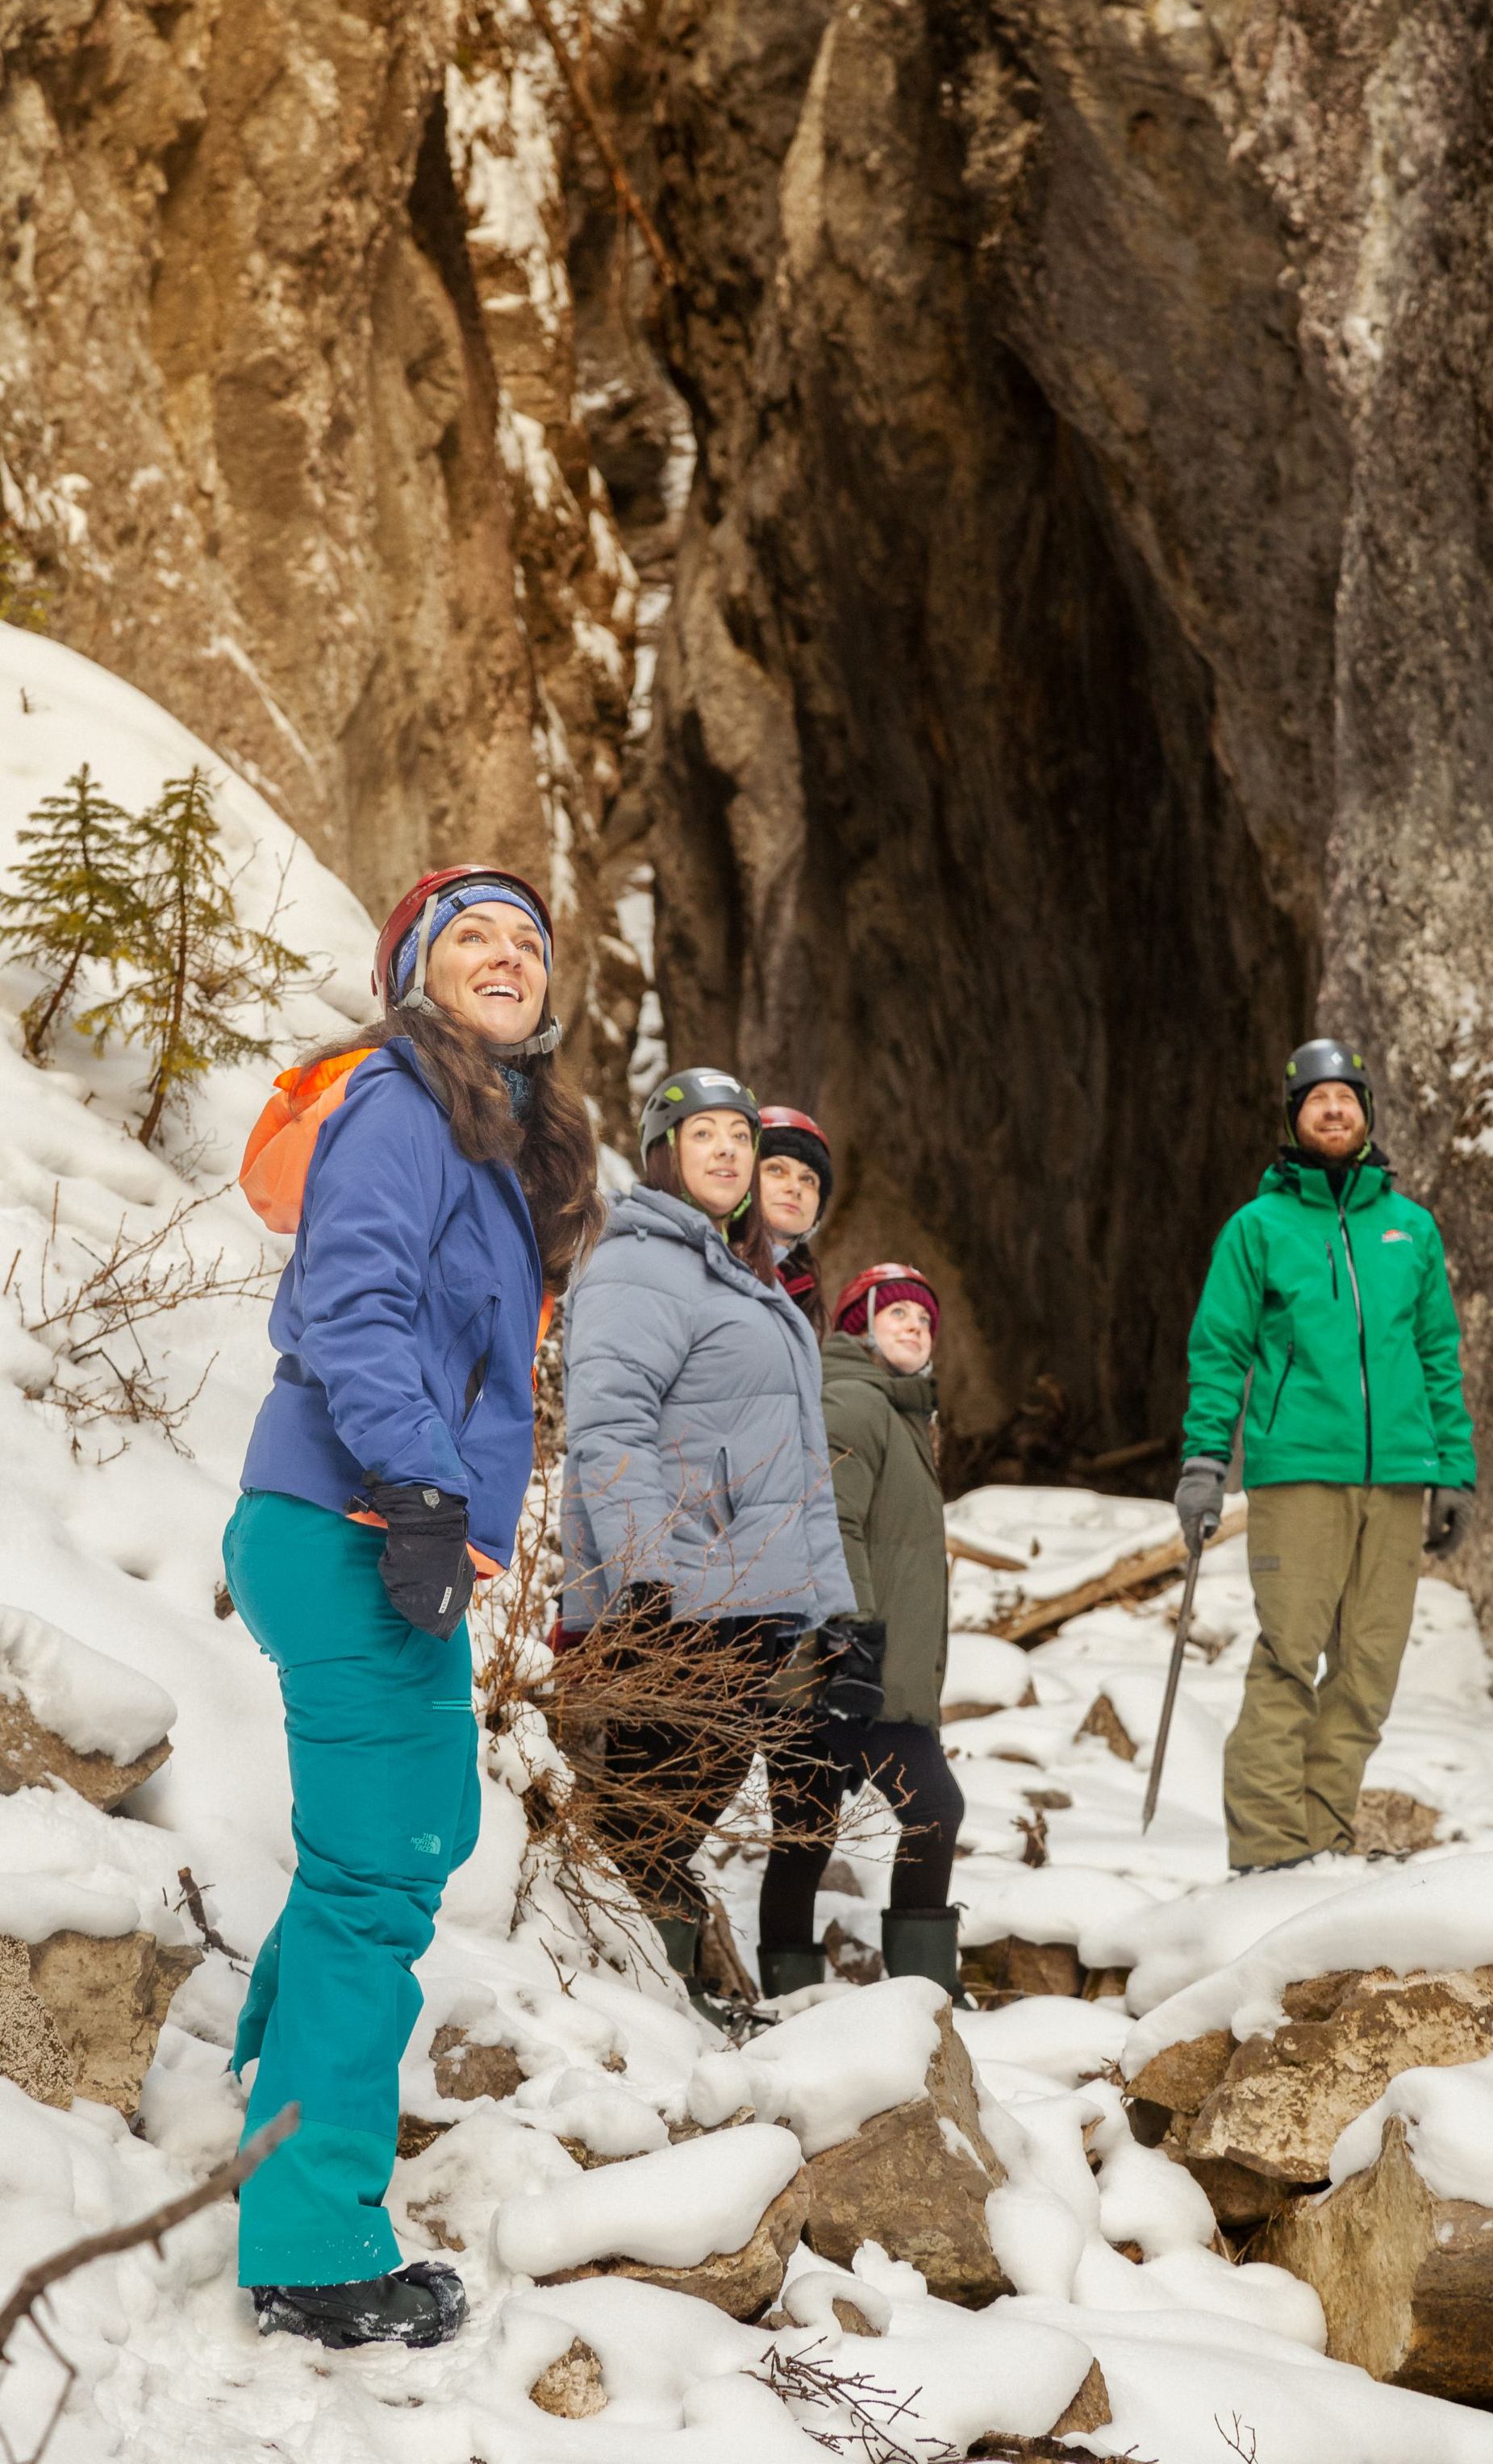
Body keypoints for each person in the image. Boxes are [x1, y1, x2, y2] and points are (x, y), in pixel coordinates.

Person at [226, 865, 602, 2346]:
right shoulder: (401, 1096)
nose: (506, 955)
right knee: (378, 1877)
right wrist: (428, 1492)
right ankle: (310, 2246)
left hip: (373, 1516)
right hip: (355, 1511)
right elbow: (357, 1298)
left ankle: (261, 2095)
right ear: (417, 973)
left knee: (417, 1828)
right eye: (474, 938)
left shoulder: (496, 1138)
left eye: (529, 939)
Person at [560, 1067, 856, 2007]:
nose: (728, 1150)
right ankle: (640, 2018)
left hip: (751, 1605)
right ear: (662, 1155)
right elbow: (610, 1428)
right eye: (704, 1136)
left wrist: (829, 1610)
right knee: (646, 1828)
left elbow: (796, 1462)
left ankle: (669, 2013)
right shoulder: (640, 1258)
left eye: (740, 1135)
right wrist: (646, 1578)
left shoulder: (744, 1276)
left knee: (678, 1818)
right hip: (681, 1599)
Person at [1175, 1037, 1476, 1874]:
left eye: (1347, 1097)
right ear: (1294, 1119)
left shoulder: (1410, 1230)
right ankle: (1270, 1858)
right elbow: (1220, 1349)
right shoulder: (1258, 1228)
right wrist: (1205, 1463)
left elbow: (1437, 1354)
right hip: (1299, 1470)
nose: (1334, 1109)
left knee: (1369, 1671)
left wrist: (1453, 1469)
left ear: (1368, 1114)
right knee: (1288, 1659)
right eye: (1317, 1100)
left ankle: (1325, 1844)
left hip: (1399, 1480)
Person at [757, 1262, 965, 1999]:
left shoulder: (897, 1413)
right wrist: (853, 1643)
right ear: (857, 1327)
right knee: (935, 1810)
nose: (915, 1327)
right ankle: (924, 1998)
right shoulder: (854, 1400)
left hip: (840, 1671)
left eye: (925, 1320)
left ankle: (785, 1999)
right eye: (896, 1314)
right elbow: (831, 1523)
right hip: (848, 1672)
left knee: (805, 1836)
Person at [759, 1104, 834, 1337]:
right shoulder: (705, 1259)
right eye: (776, 1169)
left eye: (809, 1180)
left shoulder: (804, 1295)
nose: (795, 1188)